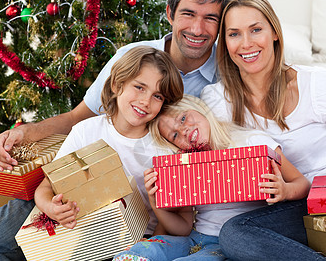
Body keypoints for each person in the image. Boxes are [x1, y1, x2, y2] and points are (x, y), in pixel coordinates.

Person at [200, 0, 326, 260]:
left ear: (275, 33)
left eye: (255, 30)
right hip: (296, 210)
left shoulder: (316, 85)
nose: (245, 43)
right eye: (234, 34)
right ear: (224, 43)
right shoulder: (219, 101)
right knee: (235, 234)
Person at [0, 0, 231, 172]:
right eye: (188, 14)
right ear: (170, 13)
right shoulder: (132, 59)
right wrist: (26, 133)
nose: (198, 29)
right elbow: (78, 118)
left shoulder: (231, 70)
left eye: (210, 18)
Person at [0, 46, 184, 260]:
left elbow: (166, 225)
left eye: (157, 96)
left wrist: (144, 252)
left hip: (120, 245)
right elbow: (45, 187)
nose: (145, 101)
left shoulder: (163, 151)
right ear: (118, 85)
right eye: (139, 87)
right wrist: (50, 207)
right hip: (68, 228)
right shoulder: (87, 130)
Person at [112, 95, 310, 261]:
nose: (184, 130)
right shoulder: (186, 166)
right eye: (174, 136)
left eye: (183, 119)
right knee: (144, 250)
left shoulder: (251, 143)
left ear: (199, 109)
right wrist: (156, 203)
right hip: (196, 238)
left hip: (231, 242)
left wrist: (284, 190)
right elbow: (183, 228)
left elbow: (302, 183)